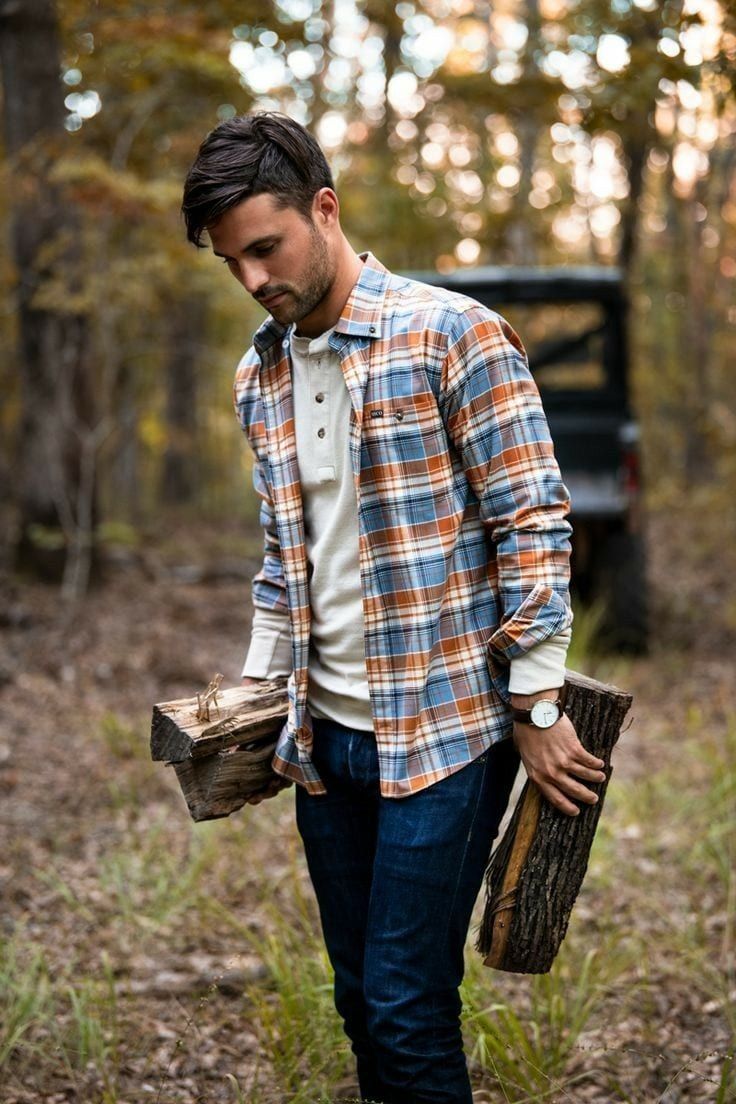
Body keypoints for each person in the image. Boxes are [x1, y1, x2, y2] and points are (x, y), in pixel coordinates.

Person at [182, 112, 606, 1104]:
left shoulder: (452, 334)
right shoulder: (261, 375)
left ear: (323, 210)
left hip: (443, 734)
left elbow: (534, 524)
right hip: (321, 742)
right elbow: (286, 558)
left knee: (408, 1004)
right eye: (228, 262)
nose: (251, 279)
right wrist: (251, 695)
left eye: (264, 248)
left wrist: (536, 707)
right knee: (355, 996)